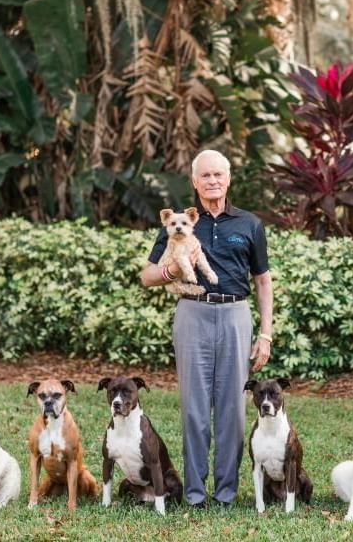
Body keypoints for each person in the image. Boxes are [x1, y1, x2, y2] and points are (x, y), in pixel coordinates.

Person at [140, 149, 273, 508]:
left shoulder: (249, 224)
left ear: (228, 179)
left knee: (232, 408)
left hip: (235, 316)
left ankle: (226, 493)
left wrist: (265, 334)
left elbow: (262, 281)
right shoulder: (178, 221)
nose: (213, 181)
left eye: (219, 174)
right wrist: (171, 272)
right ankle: (195, 493)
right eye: (206, 176)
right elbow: (147, 274)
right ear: (195, 181)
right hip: (192, 314)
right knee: (194, 409)